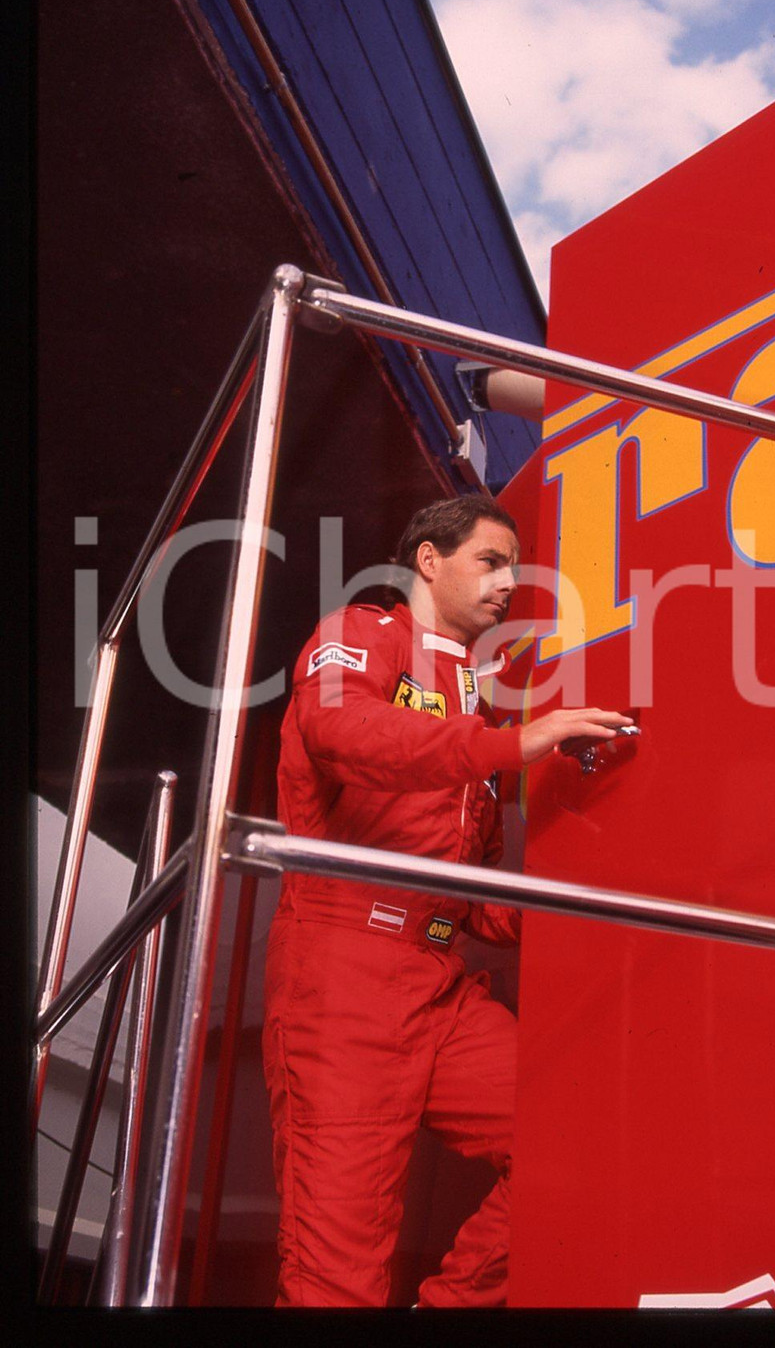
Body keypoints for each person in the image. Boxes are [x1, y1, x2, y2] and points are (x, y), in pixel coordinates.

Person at [262, 494, 632, 1307]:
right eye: (490, 562)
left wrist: (606, 888)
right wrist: (511, 743)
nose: (508, 583)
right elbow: (339, 732)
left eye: (514, 568)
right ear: (429, 560)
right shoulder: (362, 632)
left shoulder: (473, 693)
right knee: (337, 1277)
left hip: (440, 981)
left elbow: (475, 903)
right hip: (343, 978)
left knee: (572, 1132)